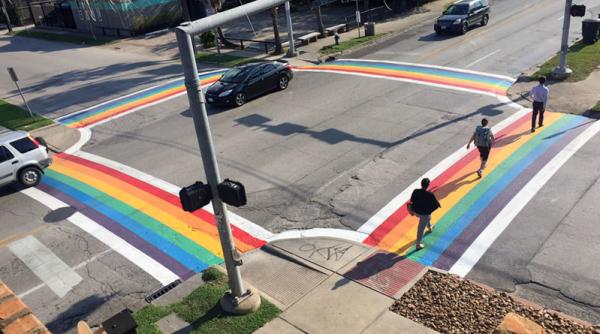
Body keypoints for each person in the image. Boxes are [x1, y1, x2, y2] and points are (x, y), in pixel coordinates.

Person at [410, 178, 441, 251]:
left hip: (416, 212)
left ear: (421, 184)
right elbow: (435, 205)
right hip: (424, 214)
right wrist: (429, 211)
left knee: (427, 219)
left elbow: (412, 200)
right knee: (421, 228)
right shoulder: (430, 195)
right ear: (428, 185)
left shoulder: (416, 191)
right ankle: (418, 244)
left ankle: (430, 227)